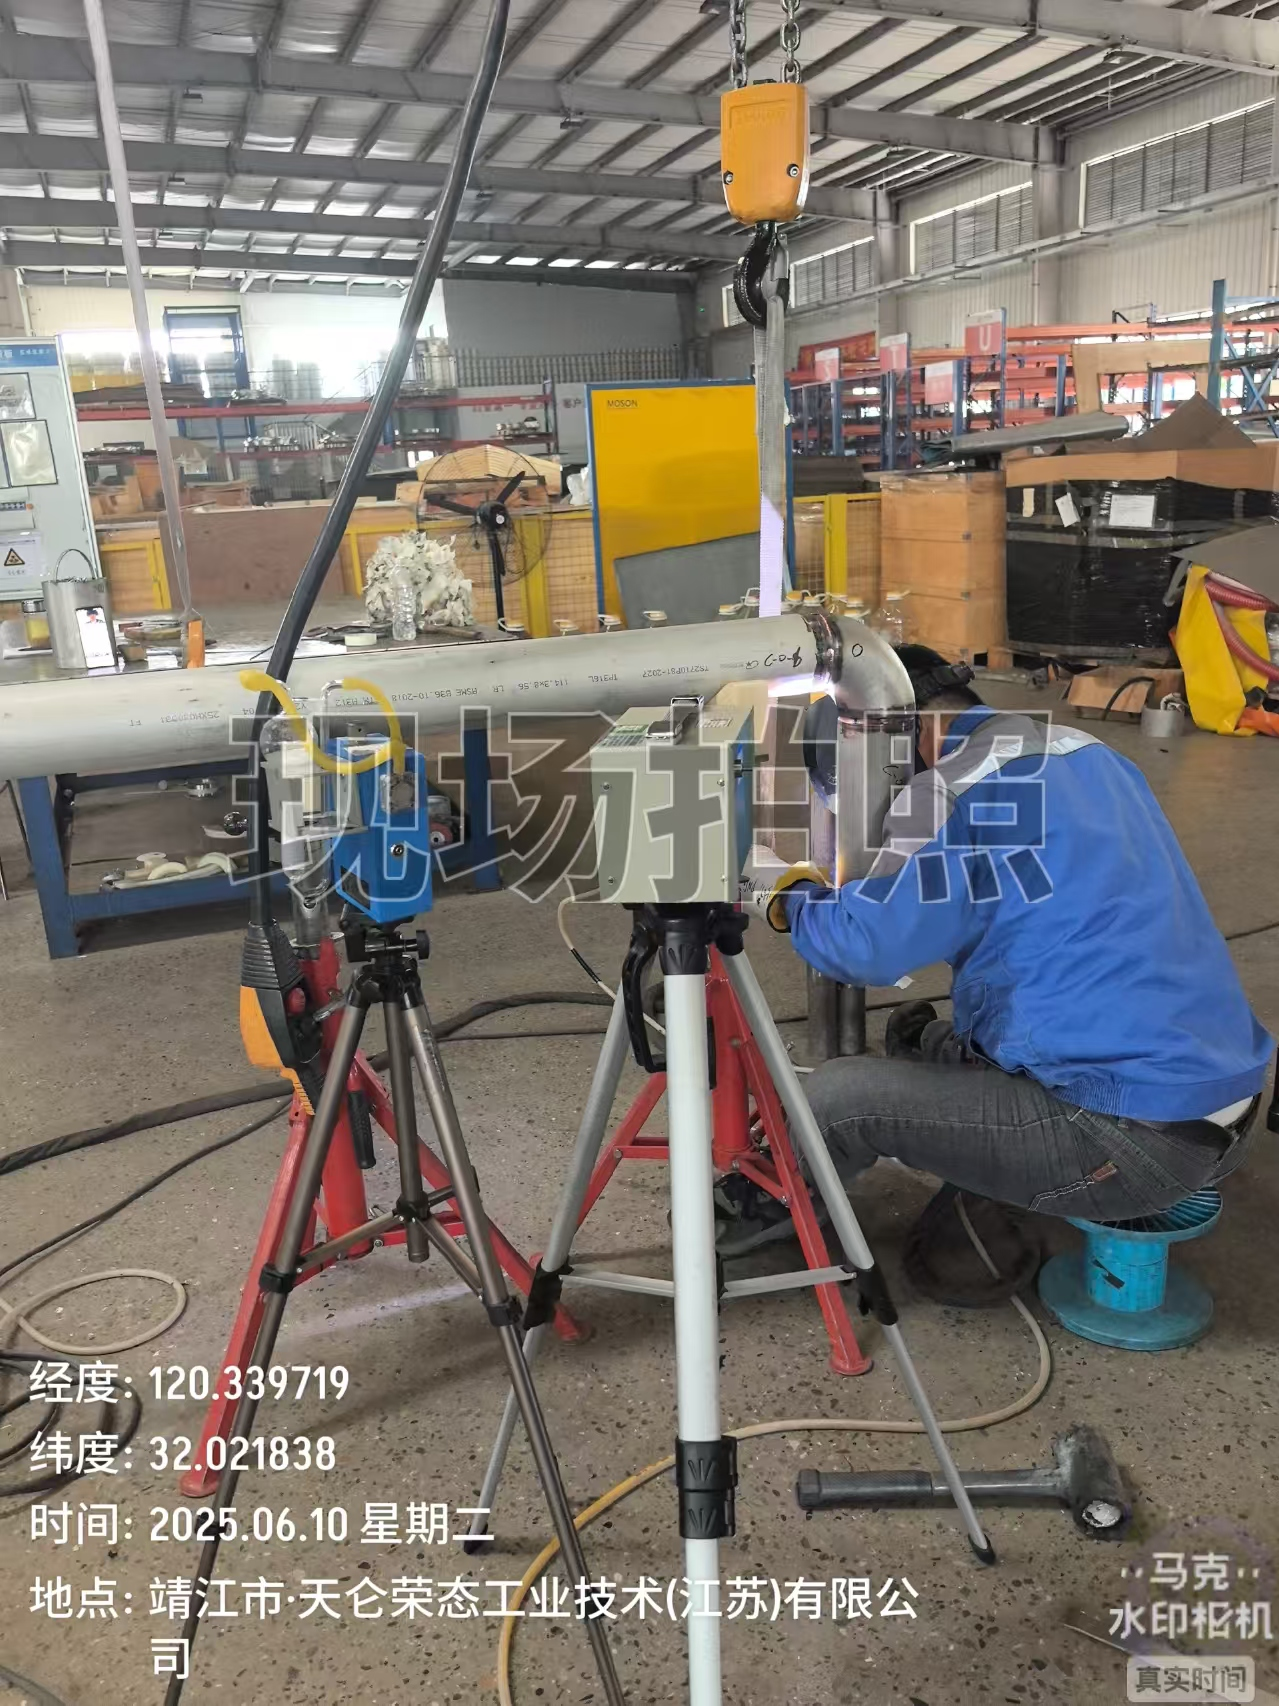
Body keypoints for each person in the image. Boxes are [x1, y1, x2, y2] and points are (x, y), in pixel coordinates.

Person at [720, 644, 1274, 1256]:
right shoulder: (1086, 751)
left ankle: (764, 1209)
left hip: (1131, 1145)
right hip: (1225, 1101)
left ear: (895, 737)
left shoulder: (949, 790)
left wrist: (782, 890)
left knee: (835, 1102)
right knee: (930, 1041)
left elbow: (866, 946)